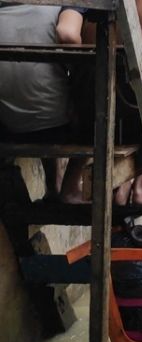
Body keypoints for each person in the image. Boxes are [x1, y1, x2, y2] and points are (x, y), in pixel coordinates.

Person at [58, 2, 142, 207]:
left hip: (90, 116)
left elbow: (68, 35)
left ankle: (70, 186)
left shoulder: (88, 4)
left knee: (95, 93)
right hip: (135, 116)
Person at [0, 4, 91, 203]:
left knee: (44, 97)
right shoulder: (63, 8)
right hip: (54, 128)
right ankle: (71, 188)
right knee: (92, 114)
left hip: (9, 127)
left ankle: (53, 186)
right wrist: (78, 73)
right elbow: (68, 34)